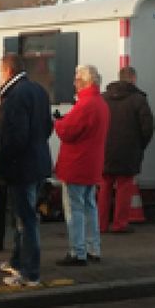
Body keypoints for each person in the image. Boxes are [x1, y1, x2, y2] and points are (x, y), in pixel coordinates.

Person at [0, 53, 53, 287]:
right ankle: (18, 262)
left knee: (26, 220)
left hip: (22, 166)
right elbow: (47, 126)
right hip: (38, 162)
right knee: (23, 217)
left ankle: (30, 272)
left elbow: (15, 137)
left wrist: (4, 159)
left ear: (7, 71)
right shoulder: (38, 90)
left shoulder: (15, 96)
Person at [53, 64, 110, 266]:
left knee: (74, 209)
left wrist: (57, 122)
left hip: (76, 164)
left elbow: (67, 131)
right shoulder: (100, 103)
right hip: (92, 164)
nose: (74, 83)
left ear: (84, 82)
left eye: (76, 80)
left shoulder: (85, 104)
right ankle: (93, 248)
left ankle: (78, 252)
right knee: (90, 206)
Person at [99, 66, 155, 234]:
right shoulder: (138, 99)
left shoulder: (103, 98)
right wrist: (140, 145)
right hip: (129, 149)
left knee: (105, 186)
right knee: (124, 186)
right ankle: (120, 224)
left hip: (105, 149)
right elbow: (148, 127)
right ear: (133, 78)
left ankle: (100, 224)